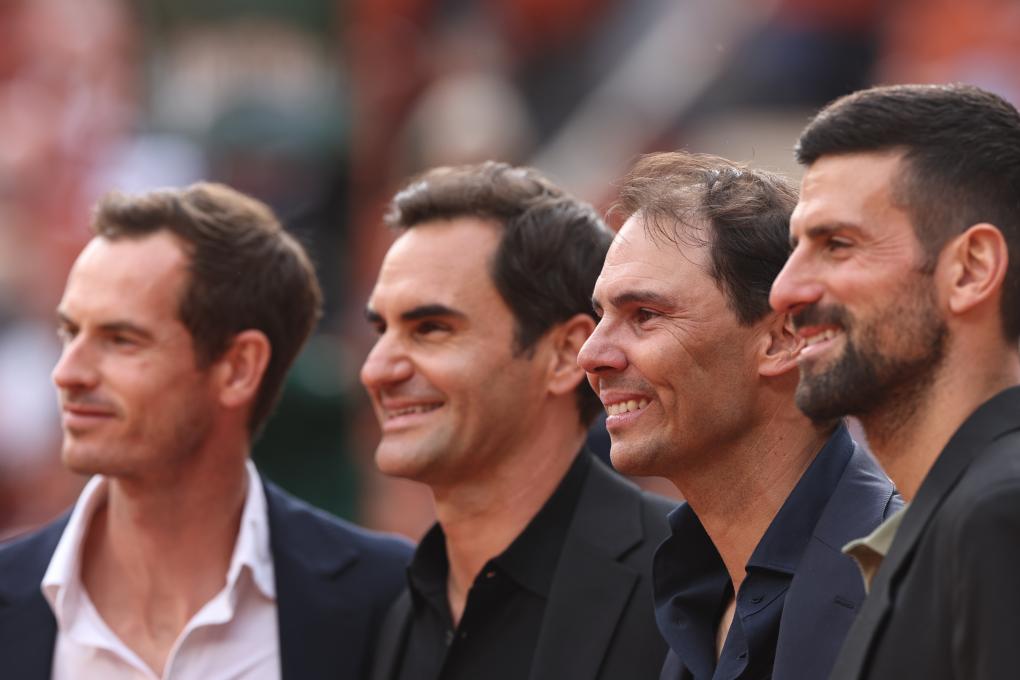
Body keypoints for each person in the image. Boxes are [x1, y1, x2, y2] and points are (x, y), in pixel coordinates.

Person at [0, 183, 412, 680]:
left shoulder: (386, 598)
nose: (67, 373)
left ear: (239, 368)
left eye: (121, 340)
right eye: (70, 333)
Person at [577, 151, 900, 680]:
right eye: (601, 316)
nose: (591, 355)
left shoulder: (909, 581)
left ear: (784, 338)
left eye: (645, 315)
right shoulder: (692, 599)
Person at [362, 161, 675, 680]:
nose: (376, 370)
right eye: (381, 330)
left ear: (565, 354)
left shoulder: (689, 577)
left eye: (431, 328)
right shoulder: (393, 611)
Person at [769, 83, 1020, 680]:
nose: (784, 291)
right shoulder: (957, 511)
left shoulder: (1000, 513)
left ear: (971, 269)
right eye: (796, 247)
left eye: (837, 244)